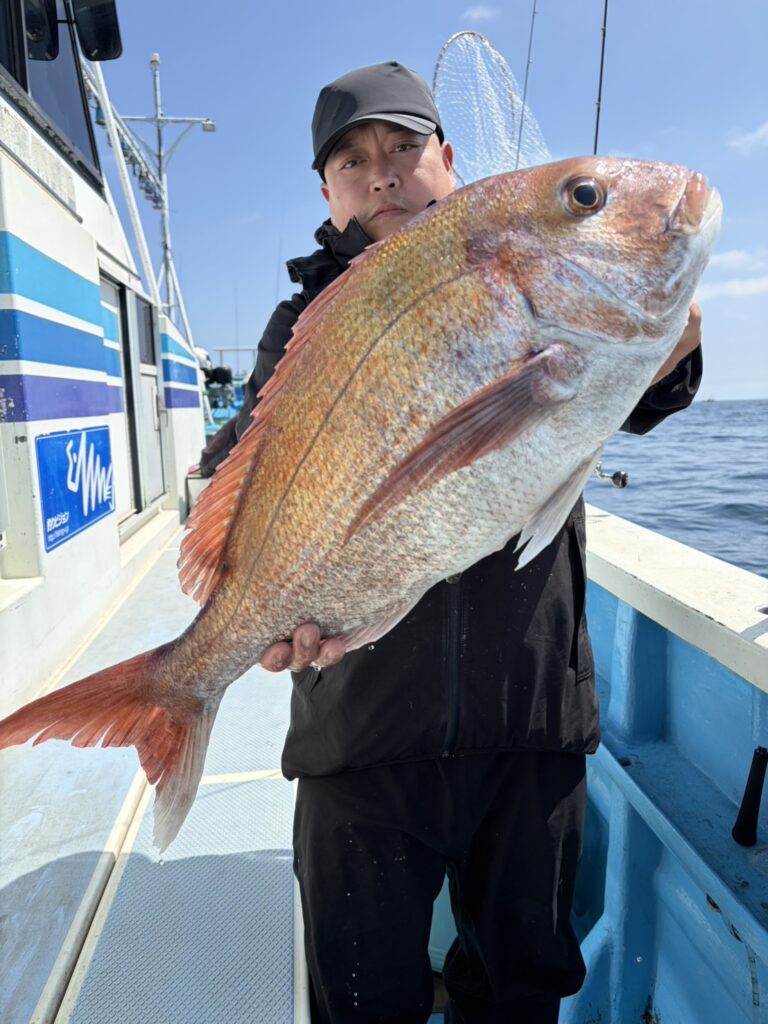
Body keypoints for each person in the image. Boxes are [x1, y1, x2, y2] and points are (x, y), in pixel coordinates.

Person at [199, 62, 703, 1024]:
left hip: (530, 722)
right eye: (352, 161)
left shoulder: (525, 266)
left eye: (403, 146)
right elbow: (242, 472)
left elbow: (646, 400)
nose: (382, 174)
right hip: (358, 739)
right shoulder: (300, 325)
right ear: (326, 190)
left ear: (448, 157)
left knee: (519, 994)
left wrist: (671, 348)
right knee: (361, 1002)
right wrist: (258, 610)